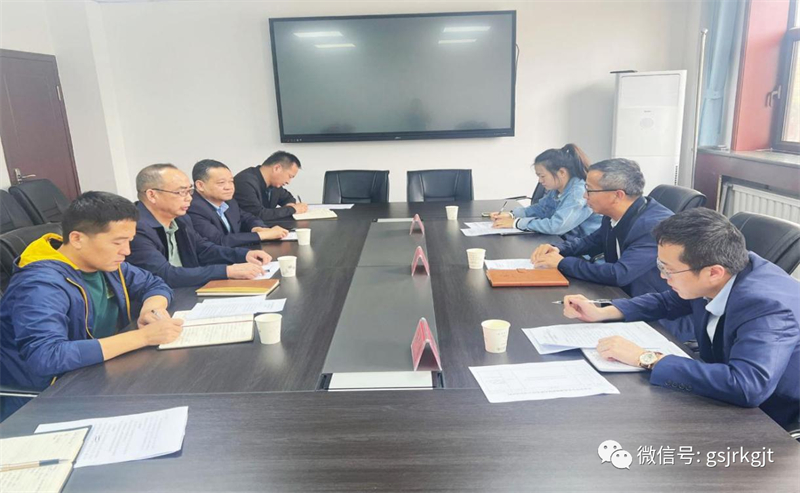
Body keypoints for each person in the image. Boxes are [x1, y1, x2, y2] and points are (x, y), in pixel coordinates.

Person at [563, 209, 800, 429]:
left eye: (669, 269)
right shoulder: (721, 271)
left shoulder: (767, 306)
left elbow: (747, 387)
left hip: (772, 415)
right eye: (661, 265)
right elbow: (668, 301)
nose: (662, 276)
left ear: (713, 272)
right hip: (720, 388)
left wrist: (645, 358)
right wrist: (604, 311)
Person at [0, 192, 184, 418]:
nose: (126, 251)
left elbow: (154, 284)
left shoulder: (104, 264)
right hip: (49, 397)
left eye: (129, 241)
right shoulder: (39, 285)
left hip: (100, 372)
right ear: (77, 239)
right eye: (117, 242)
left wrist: (152, 309)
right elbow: (47, 356)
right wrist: (143, 337)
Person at [127, 164, 272, 288]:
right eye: (181, 192)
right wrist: (227, 271)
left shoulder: (181, 219)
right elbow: (165, 274)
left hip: (189, 288)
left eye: (189, 191)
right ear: (152, 195)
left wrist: (243, 255)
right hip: (162, 298)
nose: (189, 198)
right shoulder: (135, 228)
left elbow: (203, 248)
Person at [491, 143, 601, 241]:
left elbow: (556, 226)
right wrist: (511, 215)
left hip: (582, 249)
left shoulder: (577, 193)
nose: (540, 181)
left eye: (542, 176)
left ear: (561, 172)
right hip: (565, 241)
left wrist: (516, 223)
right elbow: (541, 209)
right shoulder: (558, 188)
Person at [188, 159, 288, 247]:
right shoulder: (193, 208)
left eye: (231, 181)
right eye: (221, 182)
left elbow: (247, 218)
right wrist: (261, 235)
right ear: (200, 185)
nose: (229, 187)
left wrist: (257, 228)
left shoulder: (229, 201)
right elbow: (218, 241)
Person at [233, 151, 308, 222]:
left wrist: (289, 205)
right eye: (290, 176)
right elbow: (257, 214)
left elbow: (288, 198)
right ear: (277, 168)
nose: (288, 182)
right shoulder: (245, 182)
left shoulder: (274, 183)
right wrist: (292, 209)